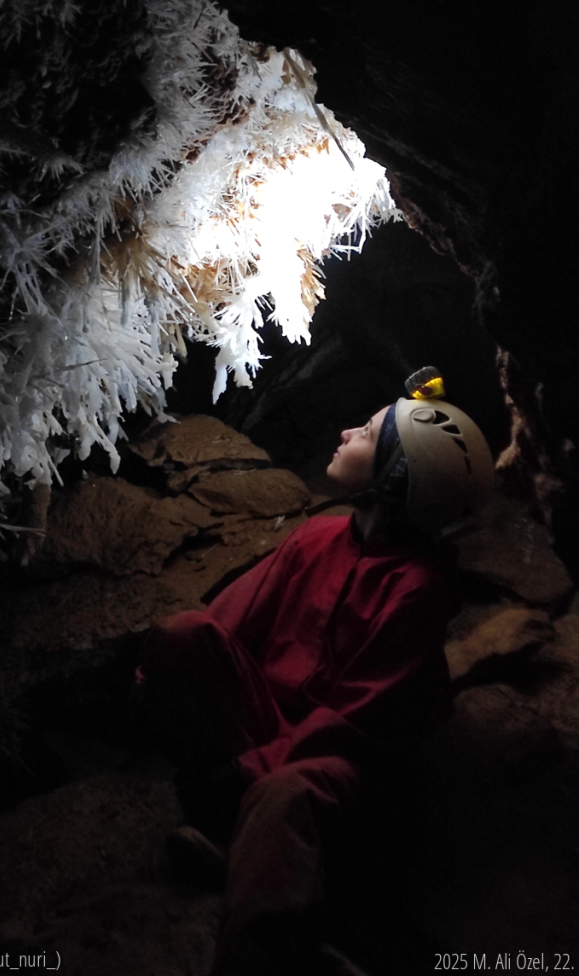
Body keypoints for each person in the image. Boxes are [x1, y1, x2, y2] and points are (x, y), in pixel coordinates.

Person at [135, 369, 495, 976]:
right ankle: (245, 840)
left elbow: (355, 720)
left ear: (396, 476)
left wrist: (248, 768)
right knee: (181, 637)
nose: (347, 430)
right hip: (269, 729)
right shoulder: (317, 539)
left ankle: (269, 939)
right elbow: (224, 626)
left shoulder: (416, 587)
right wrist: (165, 683)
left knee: (288, 791)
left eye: (368, 432)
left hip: (335, 768)